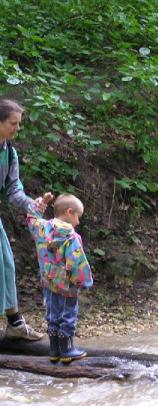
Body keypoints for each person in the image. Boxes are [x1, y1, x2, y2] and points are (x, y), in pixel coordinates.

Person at [27, 193, 93, 362]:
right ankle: (67, 349)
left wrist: (42, 202)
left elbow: (31, 217)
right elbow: (78, 263)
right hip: (66, 287)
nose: (78, 221)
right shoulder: (71, 238)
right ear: (70, 212)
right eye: (78, 216)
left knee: (52, 313)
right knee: (67, 314)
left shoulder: (42, 228)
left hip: (48, 282)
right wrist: (84, 282)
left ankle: (54, 349)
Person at [0, 98, 46, 340]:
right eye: (13, 123)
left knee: (6, 264)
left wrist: (32, 203)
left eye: (18, 124)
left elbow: (13, 190)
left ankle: (15, 325)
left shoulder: (9, 152)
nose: (17, 128)